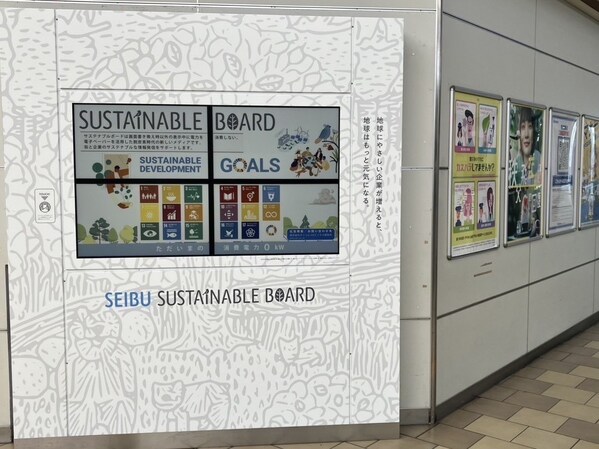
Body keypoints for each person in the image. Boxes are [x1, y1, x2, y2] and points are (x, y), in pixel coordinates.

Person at [512, 107, 542, 185]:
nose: (526, 135)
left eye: (530, 126)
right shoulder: (514, 161)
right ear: (518, 133)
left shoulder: (539, 158)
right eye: (522, 127)